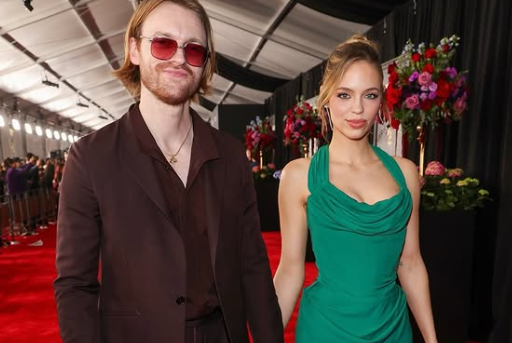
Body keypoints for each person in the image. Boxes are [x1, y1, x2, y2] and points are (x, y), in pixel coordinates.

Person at [53, 1, 283, 343]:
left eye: (193, 49)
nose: (178, 58)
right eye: (163, 43)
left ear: (204, 63)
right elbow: (75, 285)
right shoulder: (91, 157)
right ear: (134, 49)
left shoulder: (231, 156)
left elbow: (253, 269)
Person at [273, 35, 438, 343]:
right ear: (326, 98)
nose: (358, 110)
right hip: (324, 330)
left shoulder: (405, 174)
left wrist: (431, 339)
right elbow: (290, 272)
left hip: (392, 329)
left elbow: (410, 262)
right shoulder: (299, 175)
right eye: (345, 95)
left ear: (382, 100)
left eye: (370, 95)